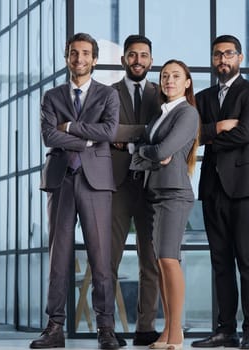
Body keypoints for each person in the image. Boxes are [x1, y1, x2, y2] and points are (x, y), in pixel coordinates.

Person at [30, 33, 120, 350]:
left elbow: (109, 131)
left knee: (101, 259)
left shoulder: (108, 95)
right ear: (66, 58)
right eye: (73, 53)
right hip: (61, 179)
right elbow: (48, 137)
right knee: (58, 258)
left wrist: (67, 127)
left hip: (96, 181)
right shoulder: (51, 96)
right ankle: (54, 328)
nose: (79, 58)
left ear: (94, 59)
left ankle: (106, 330)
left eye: (85, 53)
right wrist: (85, 140)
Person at [191, 35, 249, 350]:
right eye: (217, 55)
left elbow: (248, 133)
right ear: (212, 59)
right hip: (212, 188)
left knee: (247, 260)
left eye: (229, 54)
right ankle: (225, 330)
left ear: (240, 57)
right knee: (220, 262)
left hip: (245, 189)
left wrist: (207, 137)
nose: (223, 60)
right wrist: (217, 128)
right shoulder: (202, 97)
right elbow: (190, 135)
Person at [130, 59, 199, 350]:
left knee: (169, 260)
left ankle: (176, 332)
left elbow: (162, 151)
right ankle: (167, 331)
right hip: (154, 193)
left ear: (187, 82)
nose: (169, 80)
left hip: (174, 194)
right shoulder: (159, 115)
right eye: (165, 76)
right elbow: (147, 156)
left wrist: (144, 150)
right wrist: (147, 152)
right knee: (161, 263)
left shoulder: (188, 114)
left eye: (175, 76)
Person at [110, 35, 161, 346]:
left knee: (150, 261)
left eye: (143, 55)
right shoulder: (107, 94)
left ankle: (145, 328)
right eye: (132, 55)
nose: (138, 60)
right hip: (115, 185)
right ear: (124, 60)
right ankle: (106, 326)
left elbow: (166, 132)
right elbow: (105, 131)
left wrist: (126, 138)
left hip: (152, 185)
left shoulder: (162, 93)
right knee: (108, 260)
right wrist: (146, 134)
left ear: (151, 60)